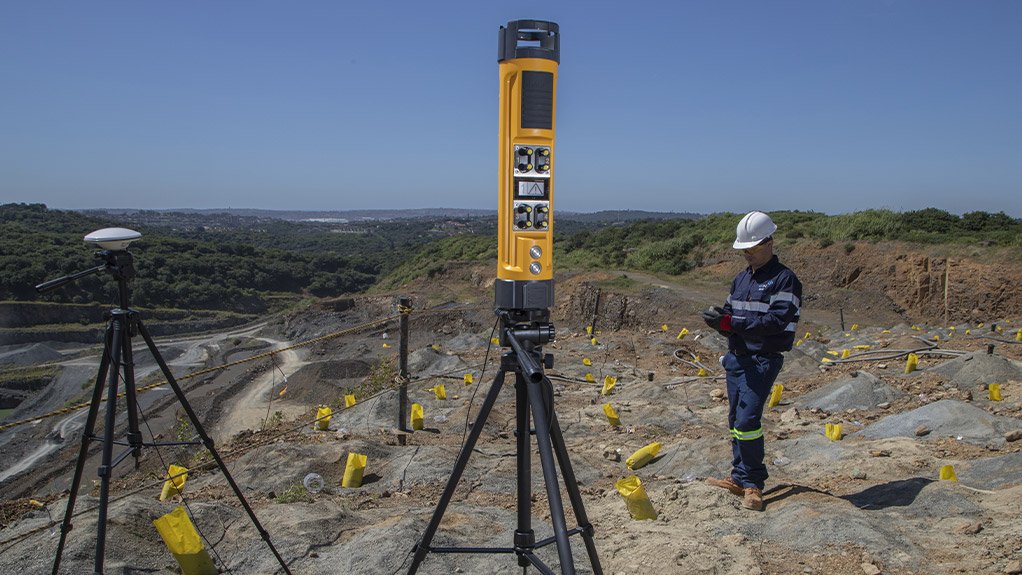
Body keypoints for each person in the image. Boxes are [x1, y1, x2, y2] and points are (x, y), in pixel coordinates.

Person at [701, 211, 802, 511]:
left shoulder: (785, 280)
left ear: (769, 242)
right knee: (735, 420)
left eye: (752, 248)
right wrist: (720, 321)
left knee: (747, 421)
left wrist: (734, 323)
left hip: (762, 359)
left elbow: (776, 321)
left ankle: (753, 484)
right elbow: (733, 313)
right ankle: (740, 476)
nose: (747, 253)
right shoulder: (741, 279)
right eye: (744, 249)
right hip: (737, 358)